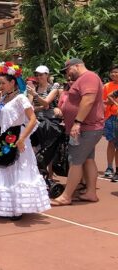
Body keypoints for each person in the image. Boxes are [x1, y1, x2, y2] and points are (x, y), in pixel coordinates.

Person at [0, 62, 51, 220]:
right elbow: (1, 114)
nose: (0, 86)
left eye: (3, 83)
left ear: (12, 82)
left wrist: (22, 139)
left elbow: (32, 119)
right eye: (0, 83)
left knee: (15, 170)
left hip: (16, 137)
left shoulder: (21, 99)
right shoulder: (4, 98)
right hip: (1, 137)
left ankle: (16, 207)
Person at [51, 58, 104, 206]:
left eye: (68, 70)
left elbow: (88, 100)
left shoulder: (89, 77)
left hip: (86, 128)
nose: (67, 73)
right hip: (87, 128)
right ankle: (91, 192)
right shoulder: (85, 79)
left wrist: (77, 122)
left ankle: (66, 196)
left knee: (75, 161)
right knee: (88, 159)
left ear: (77, 66)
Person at [102, 65, 118, 181]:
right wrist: (113, 103)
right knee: (111, 142)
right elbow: (104, 101)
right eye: (112, 72)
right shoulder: (107, 86)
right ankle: (109, 167)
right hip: (111, 117)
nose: (114, 74)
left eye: (116, 72)